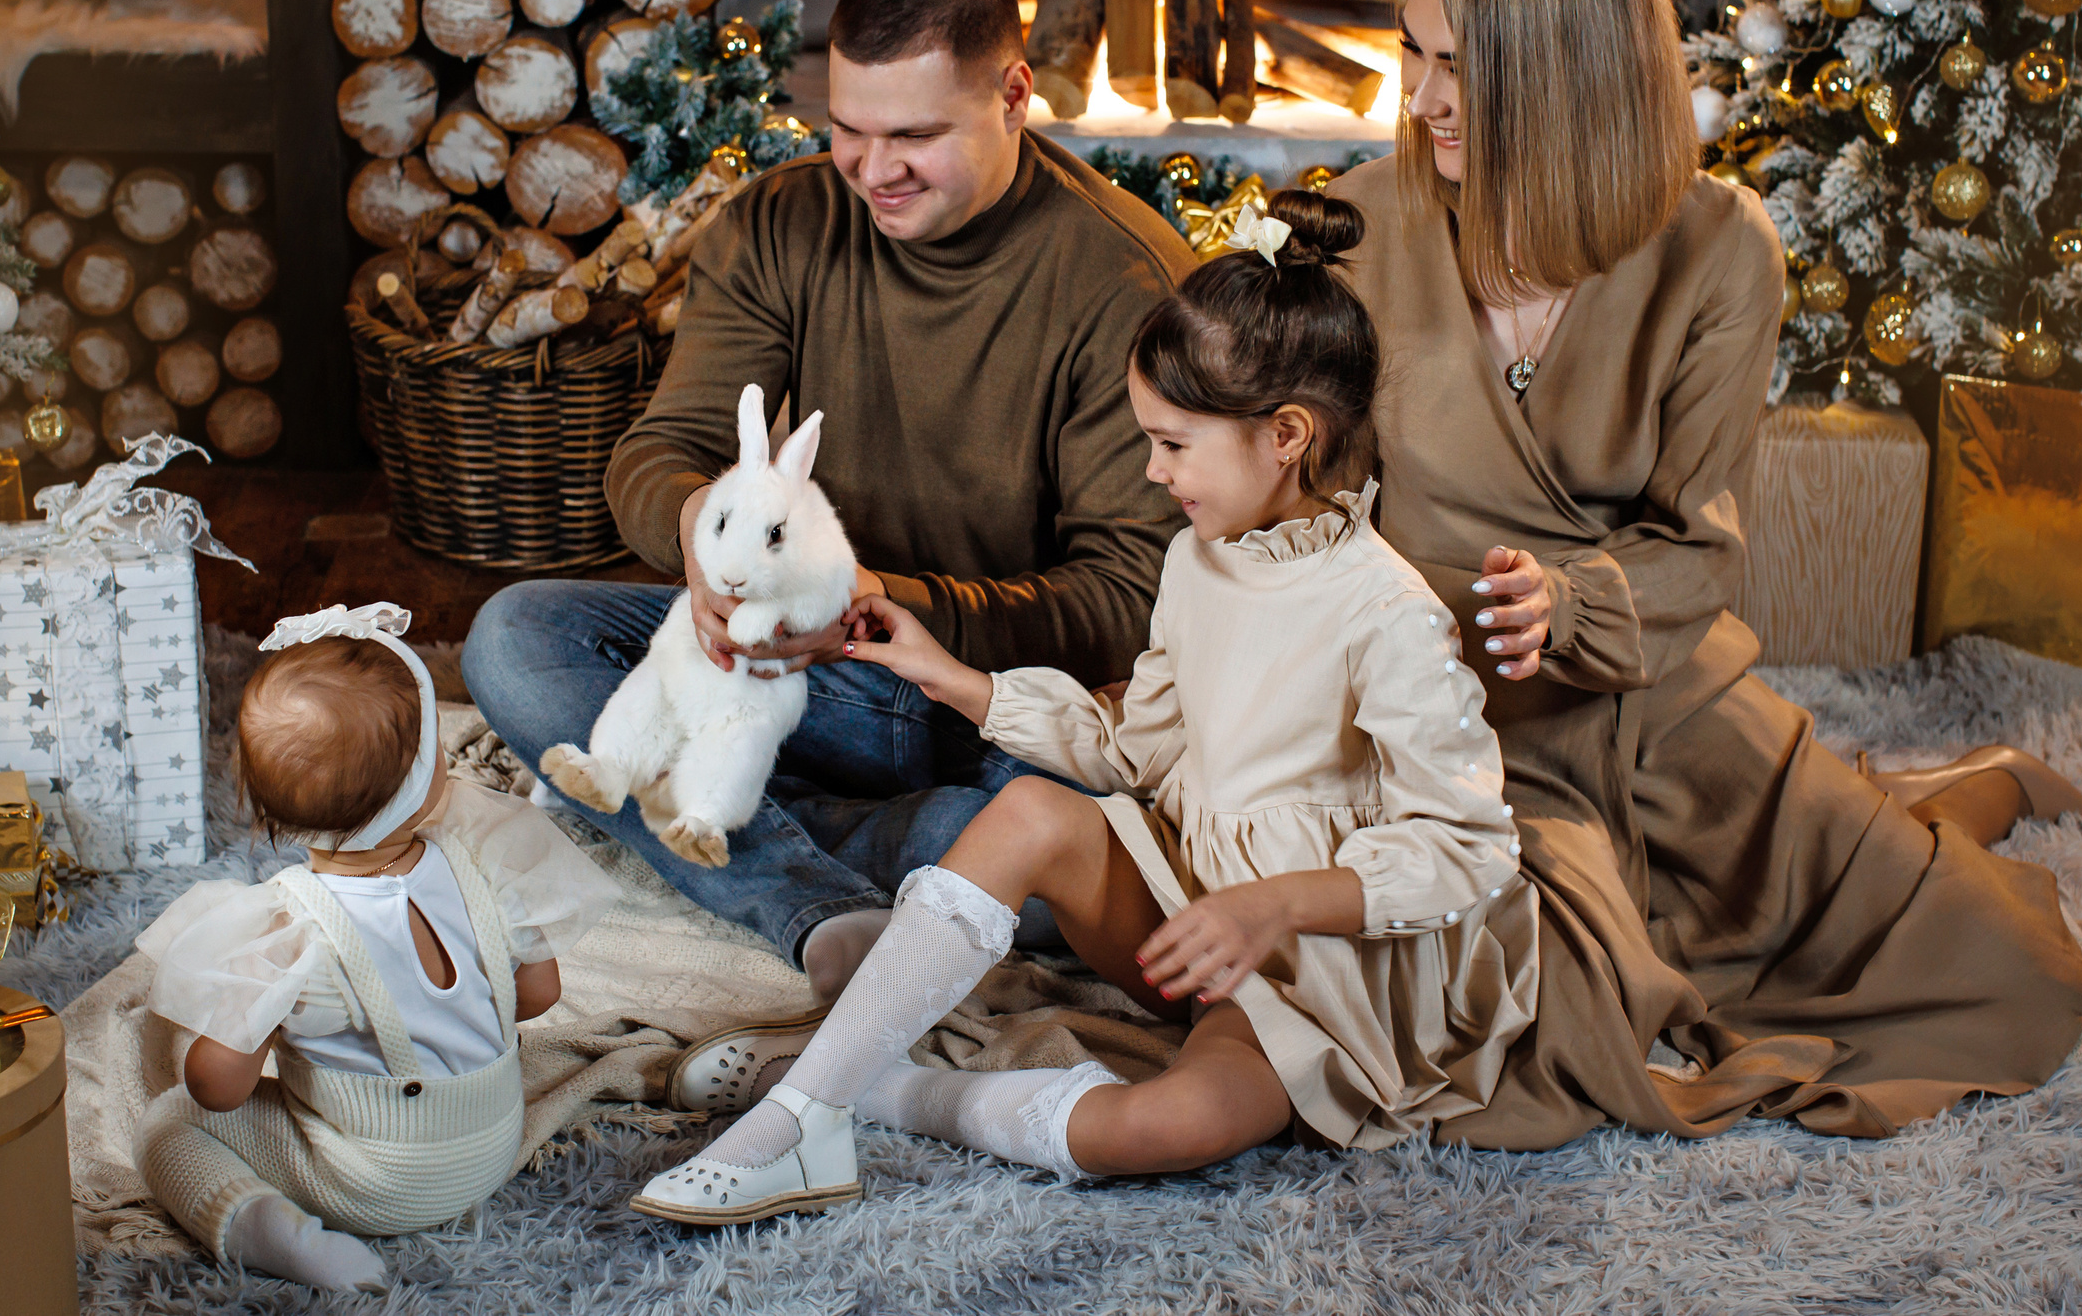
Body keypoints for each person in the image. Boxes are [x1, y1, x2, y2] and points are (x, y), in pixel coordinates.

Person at [1324, 0, 2082, 1148]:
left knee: (1951, 955)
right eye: (1411, 53)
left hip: (1648, 681)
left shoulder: (1714, 244)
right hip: (1439, 703)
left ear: (1566, 68)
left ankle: (1957, 785)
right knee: (1508, 1038)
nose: (1420, 99)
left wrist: (1569, 601)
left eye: (1458, 64)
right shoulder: (1353, 227)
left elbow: (1696, 542)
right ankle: (1894, 788)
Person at [632, 192, 1542, 1224]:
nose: (1152, 474)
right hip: (1192, 913)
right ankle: (806, 1113)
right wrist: (951, 677)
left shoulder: (1387, 613)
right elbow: (1134, 750)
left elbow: (1468, 847)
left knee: (1159, 1129)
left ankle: (872, 1087)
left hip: (1322, 976)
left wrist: (1273, 905)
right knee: (1029, 815)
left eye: (1173, 444)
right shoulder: (1198, 560)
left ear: (1285, 435)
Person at [462, 0, 1197, 996]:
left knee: (1067, 841)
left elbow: (1132, 598)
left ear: (1014, 95)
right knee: (518, 641)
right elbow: (660, 454)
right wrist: (706, 537)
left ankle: (804, 830)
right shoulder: (779, 224)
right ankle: (826, 903)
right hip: (774, 670)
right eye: (847, 130)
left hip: (977, 704)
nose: (873, 170)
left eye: (915, 136)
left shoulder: (1123, 284)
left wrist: (879, 607)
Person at [134, 605, 618, 1290]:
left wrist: (256, 1018)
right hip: (489, 1146)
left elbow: (215, 1087)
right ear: (421, 789)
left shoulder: (288, 931)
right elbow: (539, 994)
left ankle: (260, 1224)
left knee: (165, 1123)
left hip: (366, 1181)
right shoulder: (484, 859)